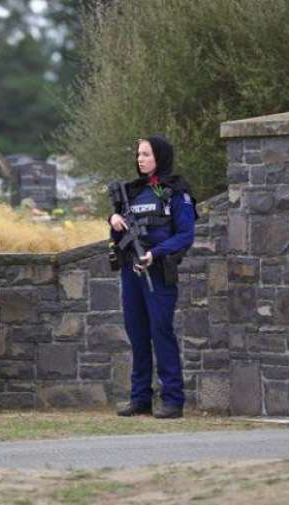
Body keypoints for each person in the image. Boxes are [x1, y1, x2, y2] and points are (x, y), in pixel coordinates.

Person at [109, 134, 197, 419]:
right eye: (138, 154)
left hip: (157, 272)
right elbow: (117, 233)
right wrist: (113, 221)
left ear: (160, 157)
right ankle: (140, 398)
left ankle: (172, 400)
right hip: (131, 271)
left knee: (161, 332)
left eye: (146, 154)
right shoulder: (131, 192)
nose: (140, 159)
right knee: (137, 334)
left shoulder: (175, 191)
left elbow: (185, 235)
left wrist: (155, 253)